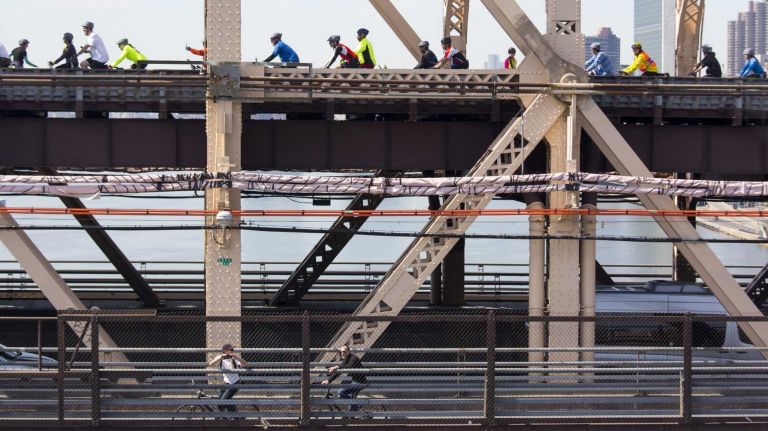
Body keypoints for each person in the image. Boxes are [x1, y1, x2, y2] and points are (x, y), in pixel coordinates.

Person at [321, 345, 367, 412]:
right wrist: (328, 380)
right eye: (341, 352)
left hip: (360, 382)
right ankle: (353, 412)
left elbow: (349, 366)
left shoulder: (353, 358)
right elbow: (340, 372)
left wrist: (337, 366)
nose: (342, 353)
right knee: (349, 397)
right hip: (355, 381)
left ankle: (357, 406)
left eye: (344, 352)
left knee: (341, 392)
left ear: (349, 351)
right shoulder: (346, 359)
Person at [208, 343, 245, 413]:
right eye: (230, 350)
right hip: (226, 383)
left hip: (235, 383)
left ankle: (234, 416)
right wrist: (221, 357)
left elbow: (245, 363)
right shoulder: (222, 359)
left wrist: (236, 357)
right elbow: (211, 364)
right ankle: (226, 416)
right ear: (225, 351)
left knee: (223, 402)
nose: (232, 351)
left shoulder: (234, 359)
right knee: (220, 401)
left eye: (232, 350)